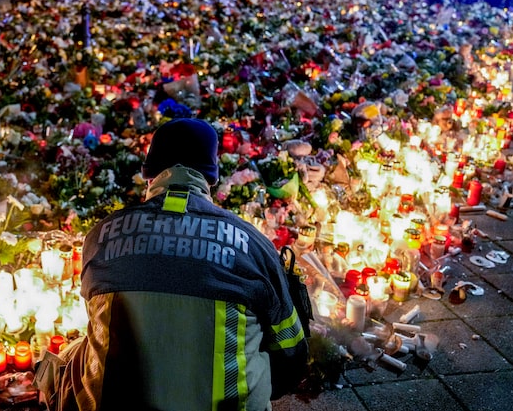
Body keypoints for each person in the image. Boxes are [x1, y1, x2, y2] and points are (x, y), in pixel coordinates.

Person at [38, 118, 309, 411]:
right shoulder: (252, 242)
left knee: (67, 356)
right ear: (211, 178)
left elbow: (98, 328)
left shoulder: (100, 236)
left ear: (150, 173)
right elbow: (291, 352)